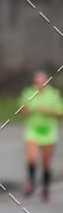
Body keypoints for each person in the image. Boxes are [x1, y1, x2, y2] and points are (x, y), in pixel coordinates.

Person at [18, 71, 63, 201]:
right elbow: (21, 106)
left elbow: (60, 113)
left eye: (42, 81)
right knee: (31, 158)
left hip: (48, 131)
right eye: (37, 81)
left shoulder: (53, 94)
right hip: (33, 130)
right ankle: (31, 183)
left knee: (46, 163)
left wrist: (48, 111)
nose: (39, 84)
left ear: (47, 81)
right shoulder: (29, 92)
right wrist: (26, 110)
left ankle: (45, 188)